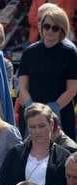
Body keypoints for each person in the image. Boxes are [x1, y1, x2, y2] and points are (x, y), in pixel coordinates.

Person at [18, 6, 77, 140]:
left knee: (62, 157)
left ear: (62, 29)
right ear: (41, 26)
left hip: (60, 114)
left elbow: (72, 89)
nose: (50, 30)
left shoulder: (70, 53)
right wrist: (33, 109)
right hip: (31, 113)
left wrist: (51, 110)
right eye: (47, 26)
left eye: (55, 28)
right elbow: (23, 87)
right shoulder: (29, 52)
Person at [0, 103, 70, 185]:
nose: (37, 131)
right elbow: (2, 184)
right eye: (32, 127)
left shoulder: (64, 156)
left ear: (51, 124)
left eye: (42, 126)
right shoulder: (15, 152)